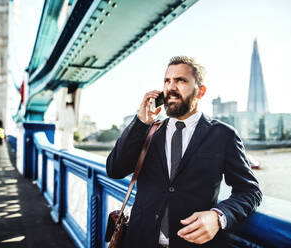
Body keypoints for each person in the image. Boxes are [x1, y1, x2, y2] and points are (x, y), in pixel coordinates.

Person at [106, 56, 262, 247]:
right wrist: (140, 122)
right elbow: (114, 170)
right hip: (139, 241)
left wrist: (218, 217)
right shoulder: (148, 131)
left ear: (201, 91)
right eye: (167, 81)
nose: (171, 87)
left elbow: (249, 191)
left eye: (180, 80)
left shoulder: (223, 135)